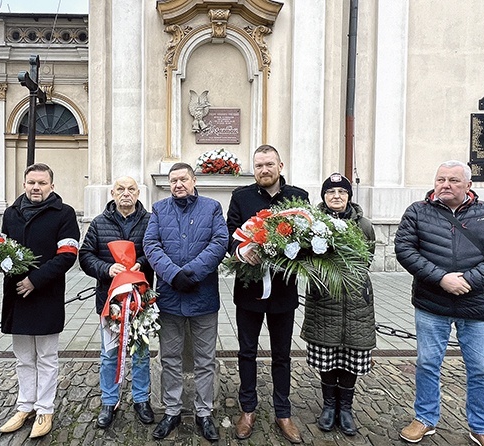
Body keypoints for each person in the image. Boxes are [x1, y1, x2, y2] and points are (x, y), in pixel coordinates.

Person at [394, 160, 484, 446]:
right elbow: (405, 249)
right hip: (431, 302)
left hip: (477, 305)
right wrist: (442, 278)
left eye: (453, 180)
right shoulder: (417, 212)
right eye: (440, 179)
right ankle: (424, 418)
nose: (445, 185)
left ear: (468, 185)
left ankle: (482, 427)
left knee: (482, 369)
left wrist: (469, 280)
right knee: (427, 363)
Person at [226, 144, 309, 444]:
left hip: (284, 293)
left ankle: (282, 412)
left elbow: (308, 241)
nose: (264, 170)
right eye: (259, 165)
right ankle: (247, 409)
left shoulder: (299, 198)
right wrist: (241, 250)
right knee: (246, 353)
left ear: (280, 166)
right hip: (249, 291)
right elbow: (229, 236)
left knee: (282, 356)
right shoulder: (241, 197)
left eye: (269, 164)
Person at [143, 162, 228, 441]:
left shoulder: (212, 207)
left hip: (203, 296)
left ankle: (204, 412)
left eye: (183, 179)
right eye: (173, 180)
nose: (178, 184)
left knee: (205, 359)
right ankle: (172, 410)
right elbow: (151, 245)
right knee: (170, 358)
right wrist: (172, 275)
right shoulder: (159, 209)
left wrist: (191, 273)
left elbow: (219, 242)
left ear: (194, 181)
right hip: (170, 297)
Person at [0, 163, 80, 439]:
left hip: (45, 293)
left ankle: (45, 408)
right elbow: (4, 249)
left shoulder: (64, 213)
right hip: (17, 295)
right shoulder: (11, 213)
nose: (36, 187)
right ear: (24, 184)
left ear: (51, 186)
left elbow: (67, 254)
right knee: (23, 358)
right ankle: (25, 406)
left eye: (42, 183)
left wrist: (36, 279)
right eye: (31, 182)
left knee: (46, 357)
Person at [300, 173, 376, 436]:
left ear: (349, 196)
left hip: (356, 301)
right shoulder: (312, 223)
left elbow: (367, 258)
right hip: (324, 300)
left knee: (351, 357)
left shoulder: (363, 225)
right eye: (331, 192)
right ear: (323, 196)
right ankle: (329, 406)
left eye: (341, 192)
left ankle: (346, 408)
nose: (336, 196)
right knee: (327, 356)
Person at [79, 176, 155, 428]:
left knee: (141, 353)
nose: (126, 193)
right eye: (120, 189)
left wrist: (140, 264)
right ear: (112, 193)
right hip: (109, 301)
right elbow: (85, 255)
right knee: (110, 353)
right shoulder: (99, 223)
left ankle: (141, 399)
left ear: (138, 193)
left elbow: (154, 250)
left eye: (131, 189)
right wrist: (106, 268)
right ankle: (109, 401)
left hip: (140, 301)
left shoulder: (149, 221)